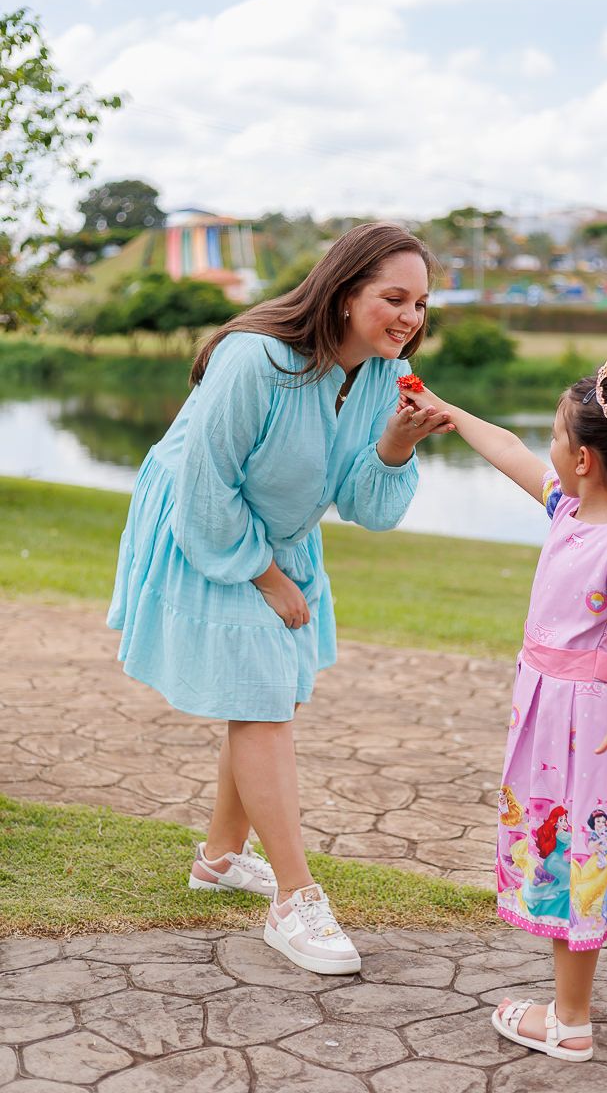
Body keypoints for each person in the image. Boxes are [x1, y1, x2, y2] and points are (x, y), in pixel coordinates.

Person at [108, 222, 453, 976]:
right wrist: (265, 575)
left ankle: (220, 858)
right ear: (343, 292)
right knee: (262, 702)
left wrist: (397, 444)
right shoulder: (255, 358)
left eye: (421, 303)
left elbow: (365, 505)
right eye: (394, 298)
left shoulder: (379, 376)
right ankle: (295, 900)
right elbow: (206, 484)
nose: (410, 317)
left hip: (283, 532)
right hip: (207, 522)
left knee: (267, 696)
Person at [399, 356, 607, 1061]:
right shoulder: (568, 508)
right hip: (559, 721)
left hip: (596, 732)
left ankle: (569, 1020)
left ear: (582, 459)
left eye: (554, 435)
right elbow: (506, 448)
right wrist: (445, 409)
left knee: (579, 848)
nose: (544, 445)